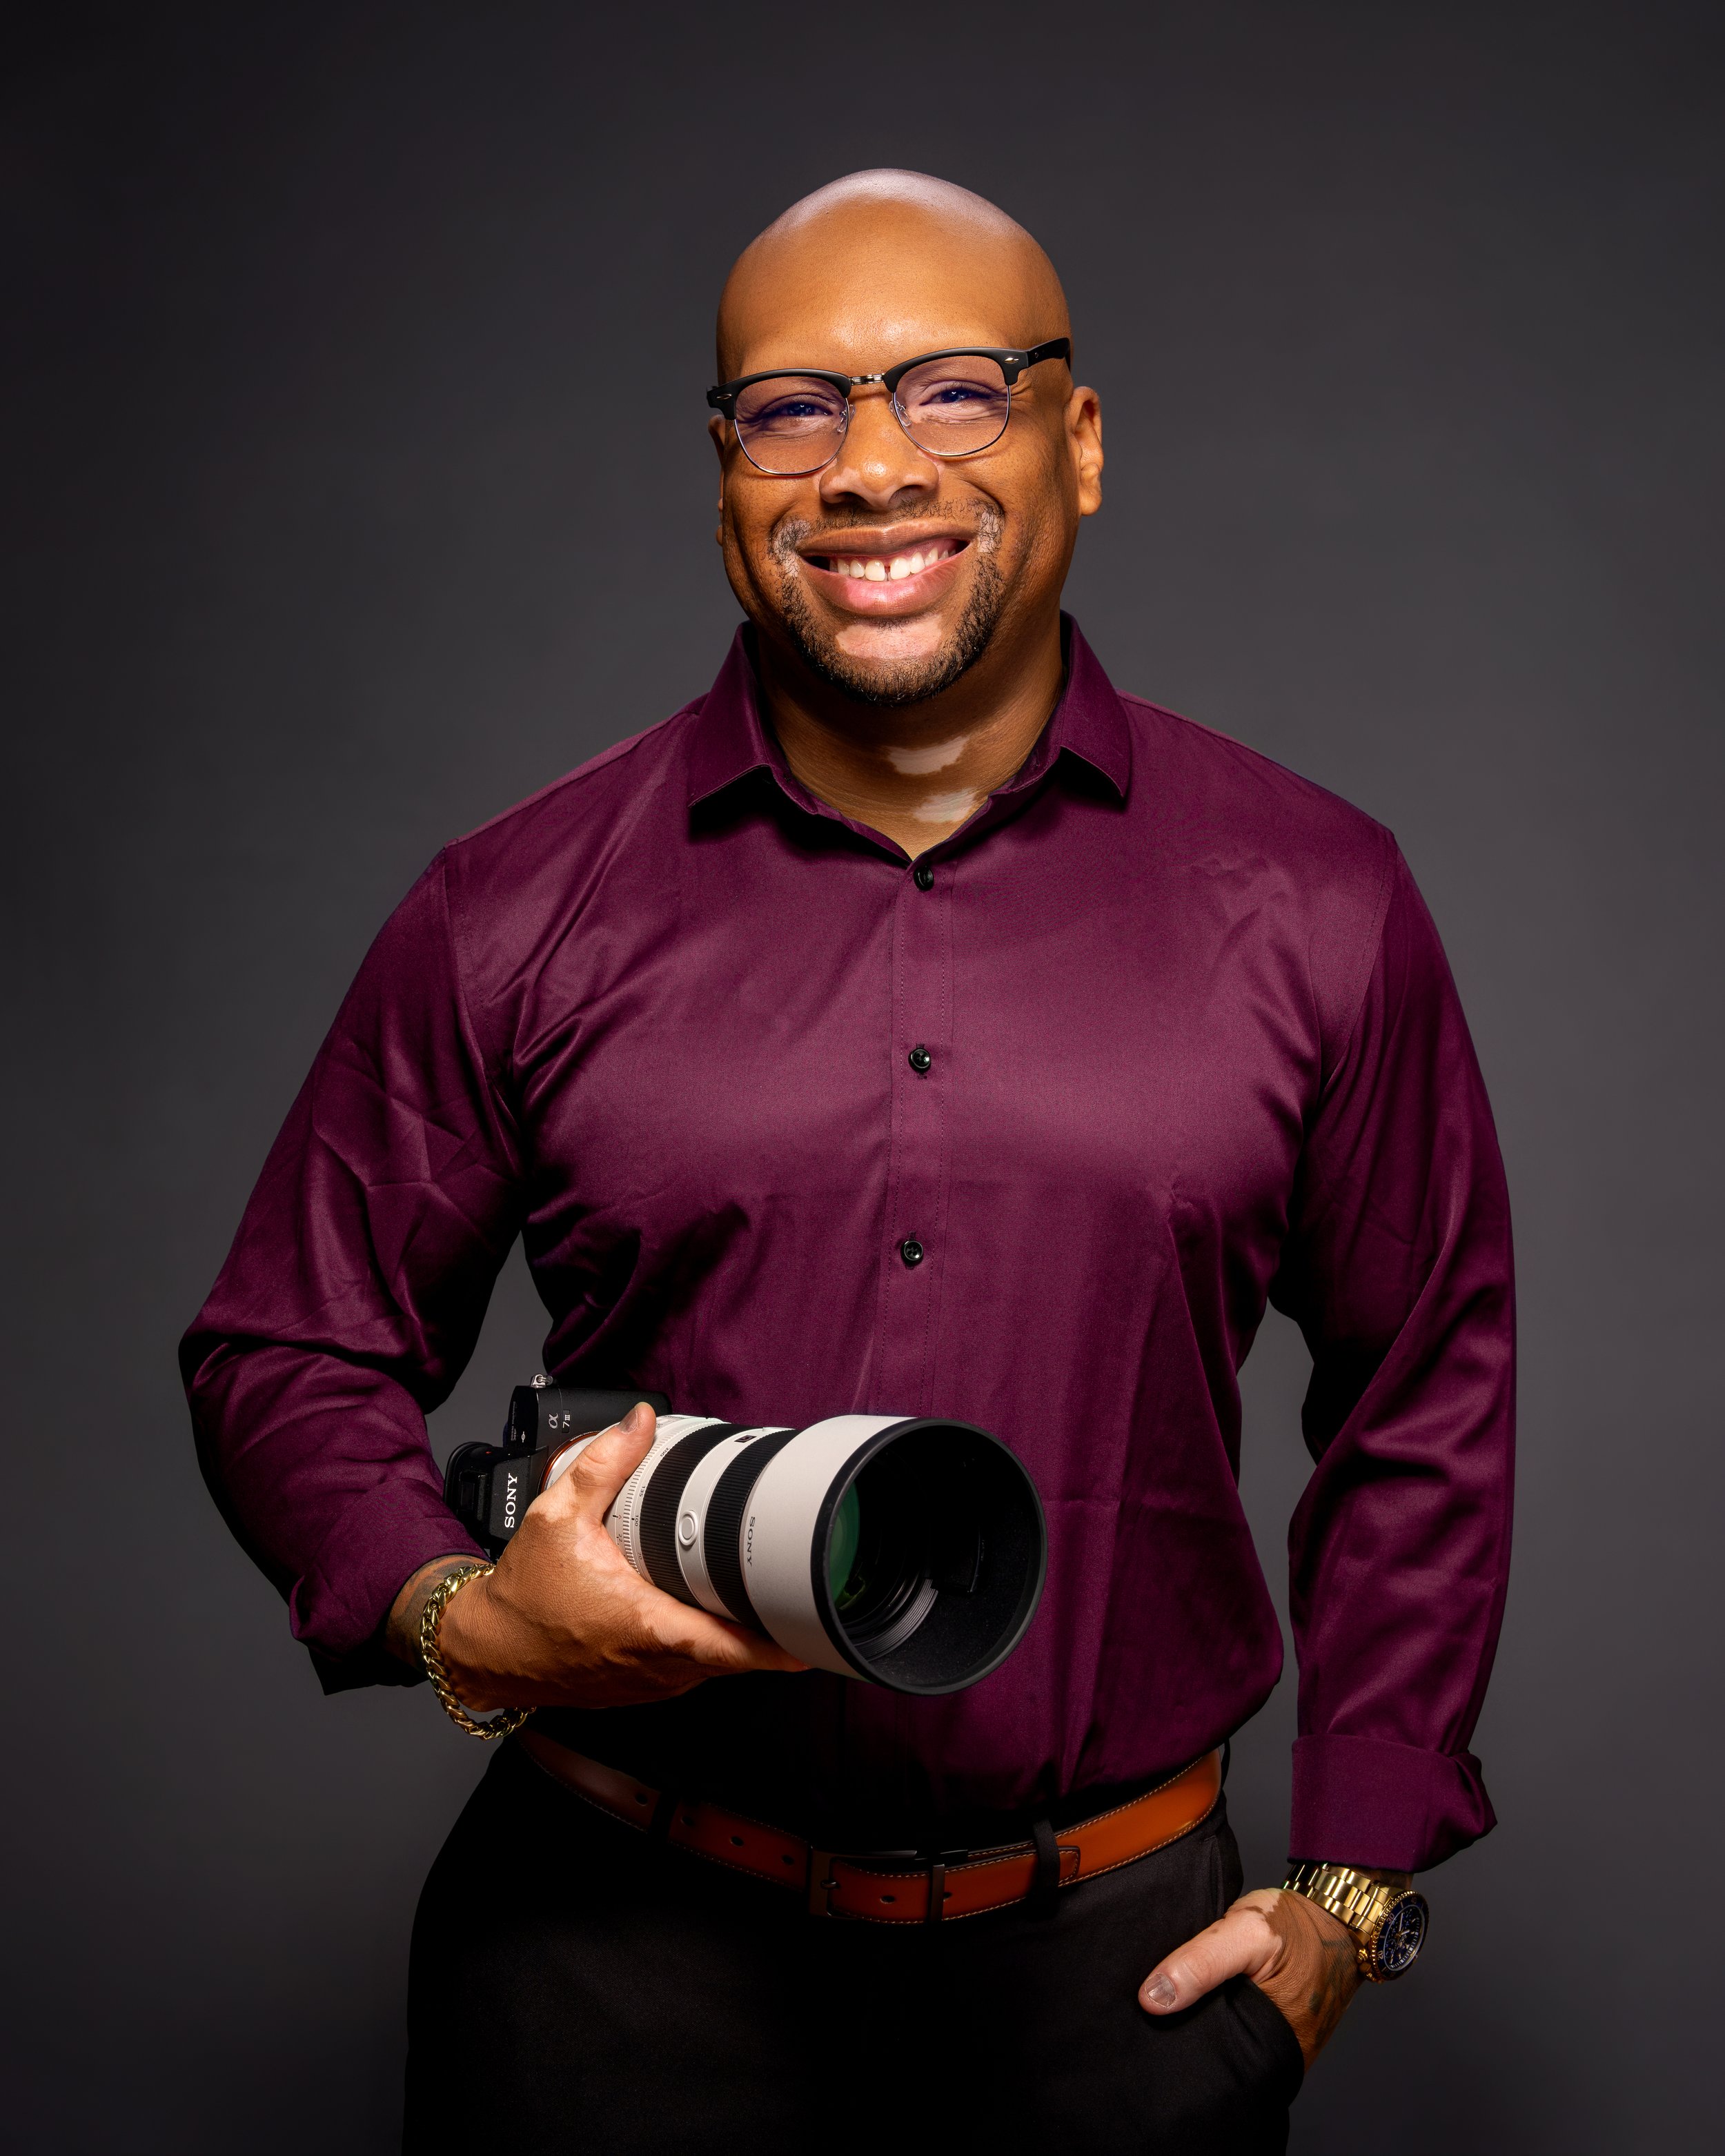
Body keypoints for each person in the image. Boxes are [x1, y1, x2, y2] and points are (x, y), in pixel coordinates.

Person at [182, 170, 1513, 2155]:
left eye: (950, 393)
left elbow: (1426, 1395)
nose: (869, 468)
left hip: (1120, 1995)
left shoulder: (1314, 901)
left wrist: (1350, 1889)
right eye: (791, 408)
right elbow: (282, 1350)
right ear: (725, 478)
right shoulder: (513, 908)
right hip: (603, 1979)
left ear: (1075, 442)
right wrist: (465, 1623)